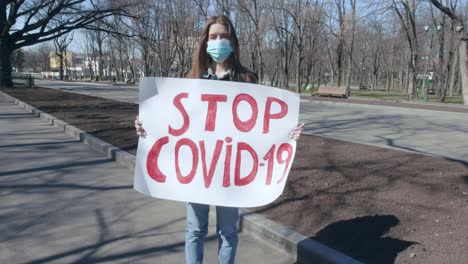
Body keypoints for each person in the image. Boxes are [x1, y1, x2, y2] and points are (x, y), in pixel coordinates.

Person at [135, 15, 304, 264]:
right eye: (213, 37)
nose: (218, 42)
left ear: (232, 41)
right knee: (194, 230)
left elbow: (263, 128)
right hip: (198, 171)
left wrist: (287, 134)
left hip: (230, 173)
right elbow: (170, 123)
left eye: (223, 36)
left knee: (228, 232)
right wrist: (146, 126)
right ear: (205, 42)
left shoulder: (247, 80)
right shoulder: (192, 81)